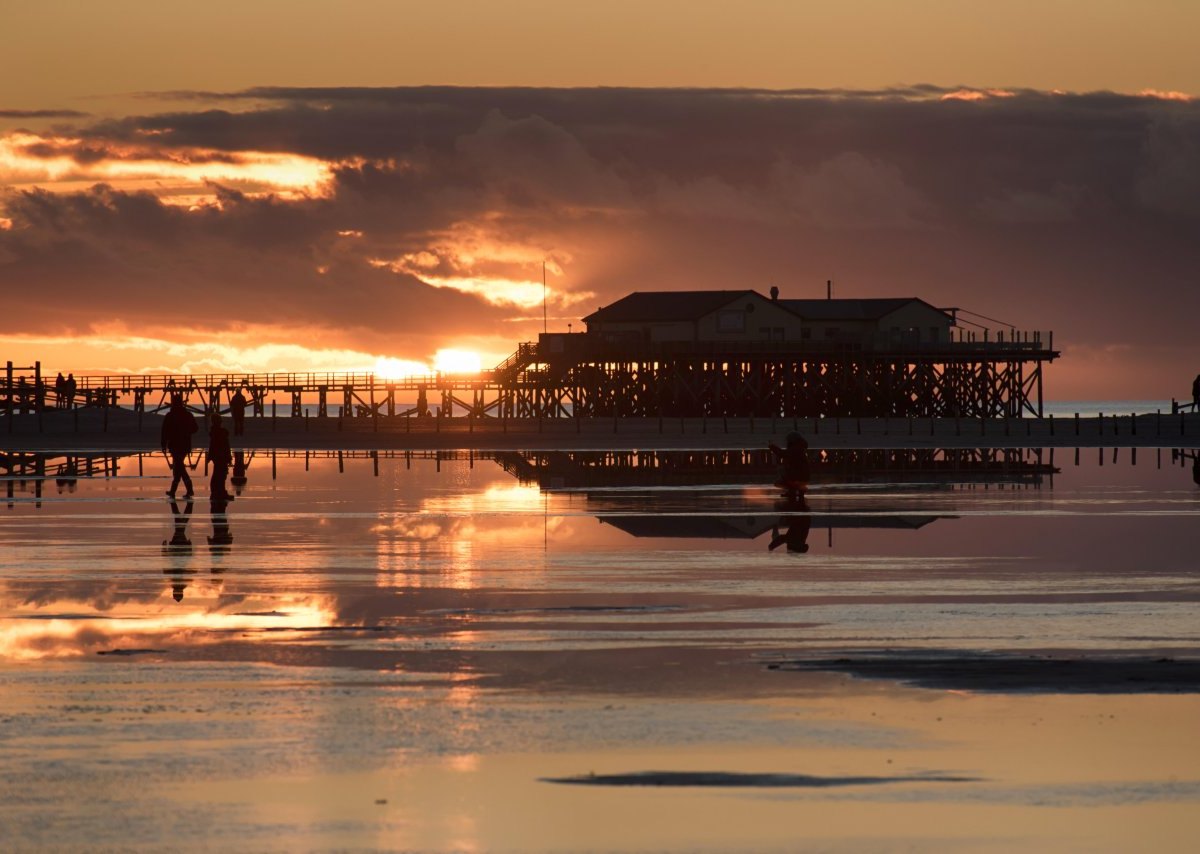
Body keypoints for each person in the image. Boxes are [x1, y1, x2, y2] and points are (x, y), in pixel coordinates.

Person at [161, 394, 198, 498]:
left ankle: (189, 490)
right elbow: (195, 428)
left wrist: (163, 444)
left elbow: (164, 431)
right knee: (178, 466)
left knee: (180, 467)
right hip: (185, 444)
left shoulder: (170, 415)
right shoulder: (187, 414)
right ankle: (173, 491)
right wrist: (187, 432)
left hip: (174, 445)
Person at [207, 412, 234, 500]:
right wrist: (229, 457)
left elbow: (212, 445)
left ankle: (216, 492)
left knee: (217, 474)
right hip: (222, 456)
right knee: (221, 475)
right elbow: (226, 446)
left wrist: (210, 456)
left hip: (217, 456)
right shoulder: (222, 433)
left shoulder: (214, 432)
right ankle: (220, 492)